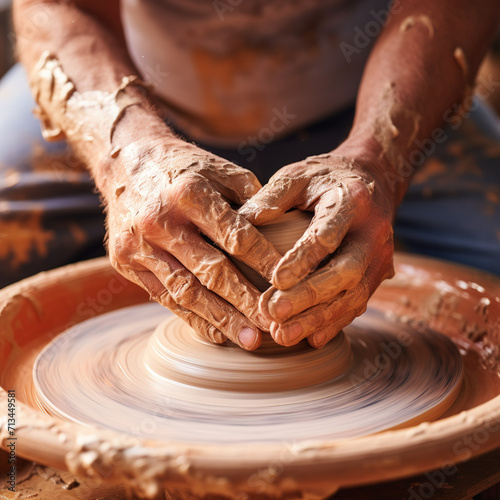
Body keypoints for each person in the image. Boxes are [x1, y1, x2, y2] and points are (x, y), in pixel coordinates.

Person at [2, 0, 499, 351]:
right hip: (130, 97)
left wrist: (379, 161)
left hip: (380, 96)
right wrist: (128, 160)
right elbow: (58, 7)